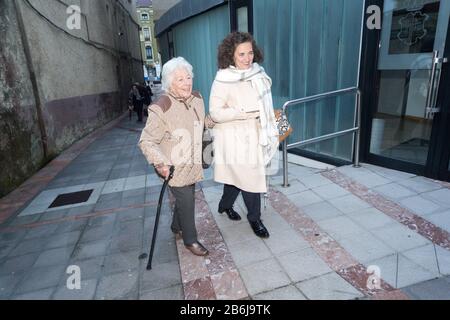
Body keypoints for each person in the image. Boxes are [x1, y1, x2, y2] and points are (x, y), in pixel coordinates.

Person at [209, 32, 279, 239]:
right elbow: (215, 112)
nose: (248, 58)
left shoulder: (258, 73)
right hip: (234, 137)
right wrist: (242, 113)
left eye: (250, 53)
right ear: (231, 55)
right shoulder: (223, 79)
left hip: (256, 133)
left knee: (235, 179)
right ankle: (255, 219)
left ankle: (224, 205)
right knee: (250, 179)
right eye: (241, 54)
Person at [138, 57, 209, 256]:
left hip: (193, 162)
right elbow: (146, 141)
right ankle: (190, 240)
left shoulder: (197, 99)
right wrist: (160, 163)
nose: (187, 82)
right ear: (169, 83)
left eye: (188, 77)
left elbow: (203, 124)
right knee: (187, 200)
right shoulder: (161, 107)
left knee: (186, 198)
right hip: (174, 167)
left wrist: (216, 121)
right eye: (180, 79)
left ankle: (176, 227)